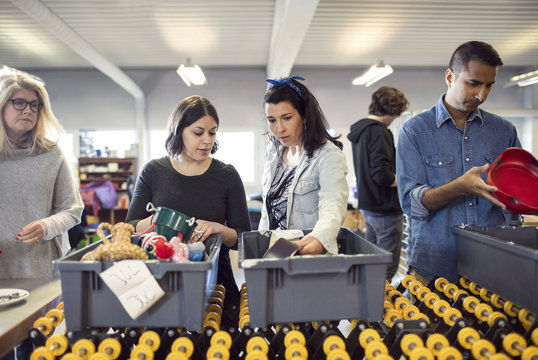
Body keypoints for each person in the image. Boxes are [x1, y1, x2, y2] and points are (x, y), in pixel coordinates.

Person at [396, 41, 521, 285]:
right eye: (473, 83)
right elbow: (413, 205)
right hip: (434, 267)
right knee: (432, 324)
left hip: (492, 265)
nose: (481, 95)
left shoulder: (503, 131)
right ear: (450, 77)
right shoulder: (415, 131)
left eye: (489, 86)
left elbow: (514, 202)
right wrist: (461, 186)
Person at [126, 95, 251, 328]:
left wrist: (219, 229)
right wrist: (156, 220)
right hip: (158, 281)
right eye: (198, 132)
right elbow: (129, 228)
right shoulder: (153, 171)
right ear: (179, 131)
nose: (207, 141)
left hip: (214, 284)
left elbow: (243, 238)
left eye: (212, 133)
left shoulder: (227, 176)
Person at [0, 71, 84, 280]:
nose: (28, 110)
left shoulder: (51, 153)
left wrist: (46, 226)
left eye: (34, 105)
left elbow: (72, 210)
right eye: (19, 102)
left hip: (41, 269)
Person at [258, 76, 349, 255]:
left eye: (287, 118)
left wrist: (320, 238)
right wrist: (261, 246)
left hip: (308, 254)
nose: (279, 128)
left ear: (305, 116)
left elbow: (333, 204)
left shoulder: (327, 155)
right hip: (274, 253)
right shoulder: (273, 151)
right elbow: (266, 208)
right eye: (271, 120)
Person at [347, 86, 409, 281]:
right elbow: (382, 175)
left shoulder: (360, 131)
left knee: (372, 262)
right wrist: (407, 181)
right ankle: (382, 309)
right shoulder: (380, 132)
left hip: (369, 206)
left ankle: (368, 305)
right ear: (392, 110)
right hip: (385, 209)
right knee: (386, 268)